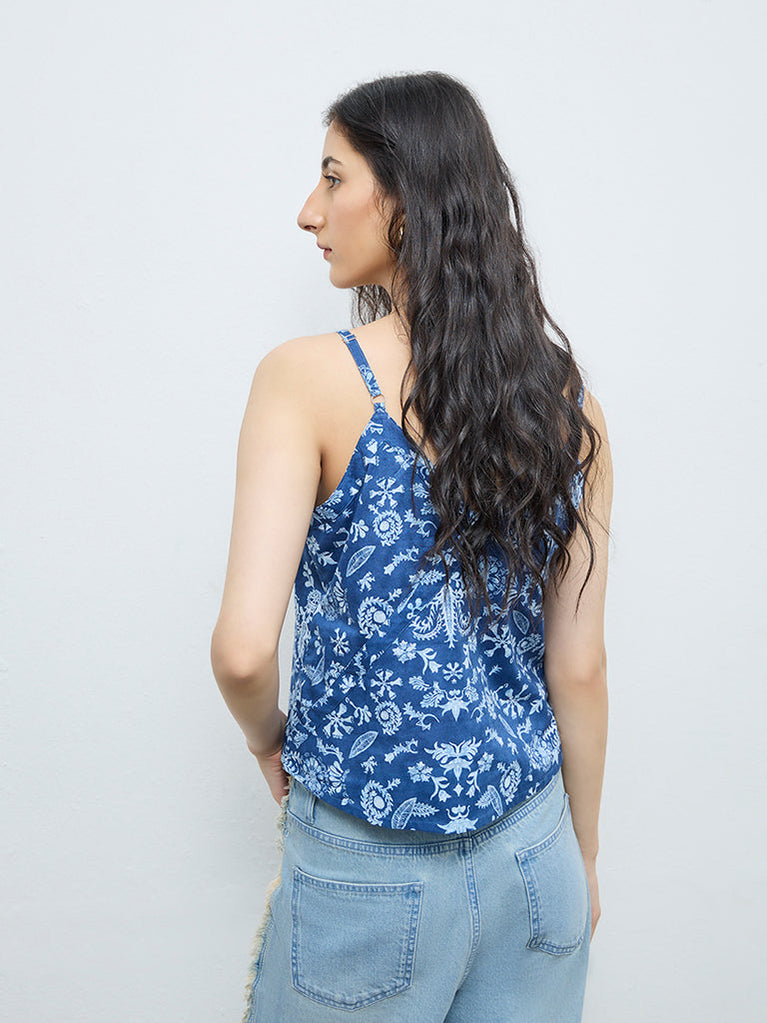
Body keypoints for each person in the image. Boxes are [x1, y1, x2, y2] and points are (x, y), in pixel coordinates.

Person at [210, 70, 612, 1023]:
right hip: (537, 858)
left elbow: (242, 652)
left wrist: (269, 741)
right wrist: (582, 859)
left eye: (332, 177)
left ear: (405, 196)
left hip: (368, 876)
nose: (309, 211)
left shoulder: (306, 380)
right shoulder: (566, 406)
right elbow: (579, 666)